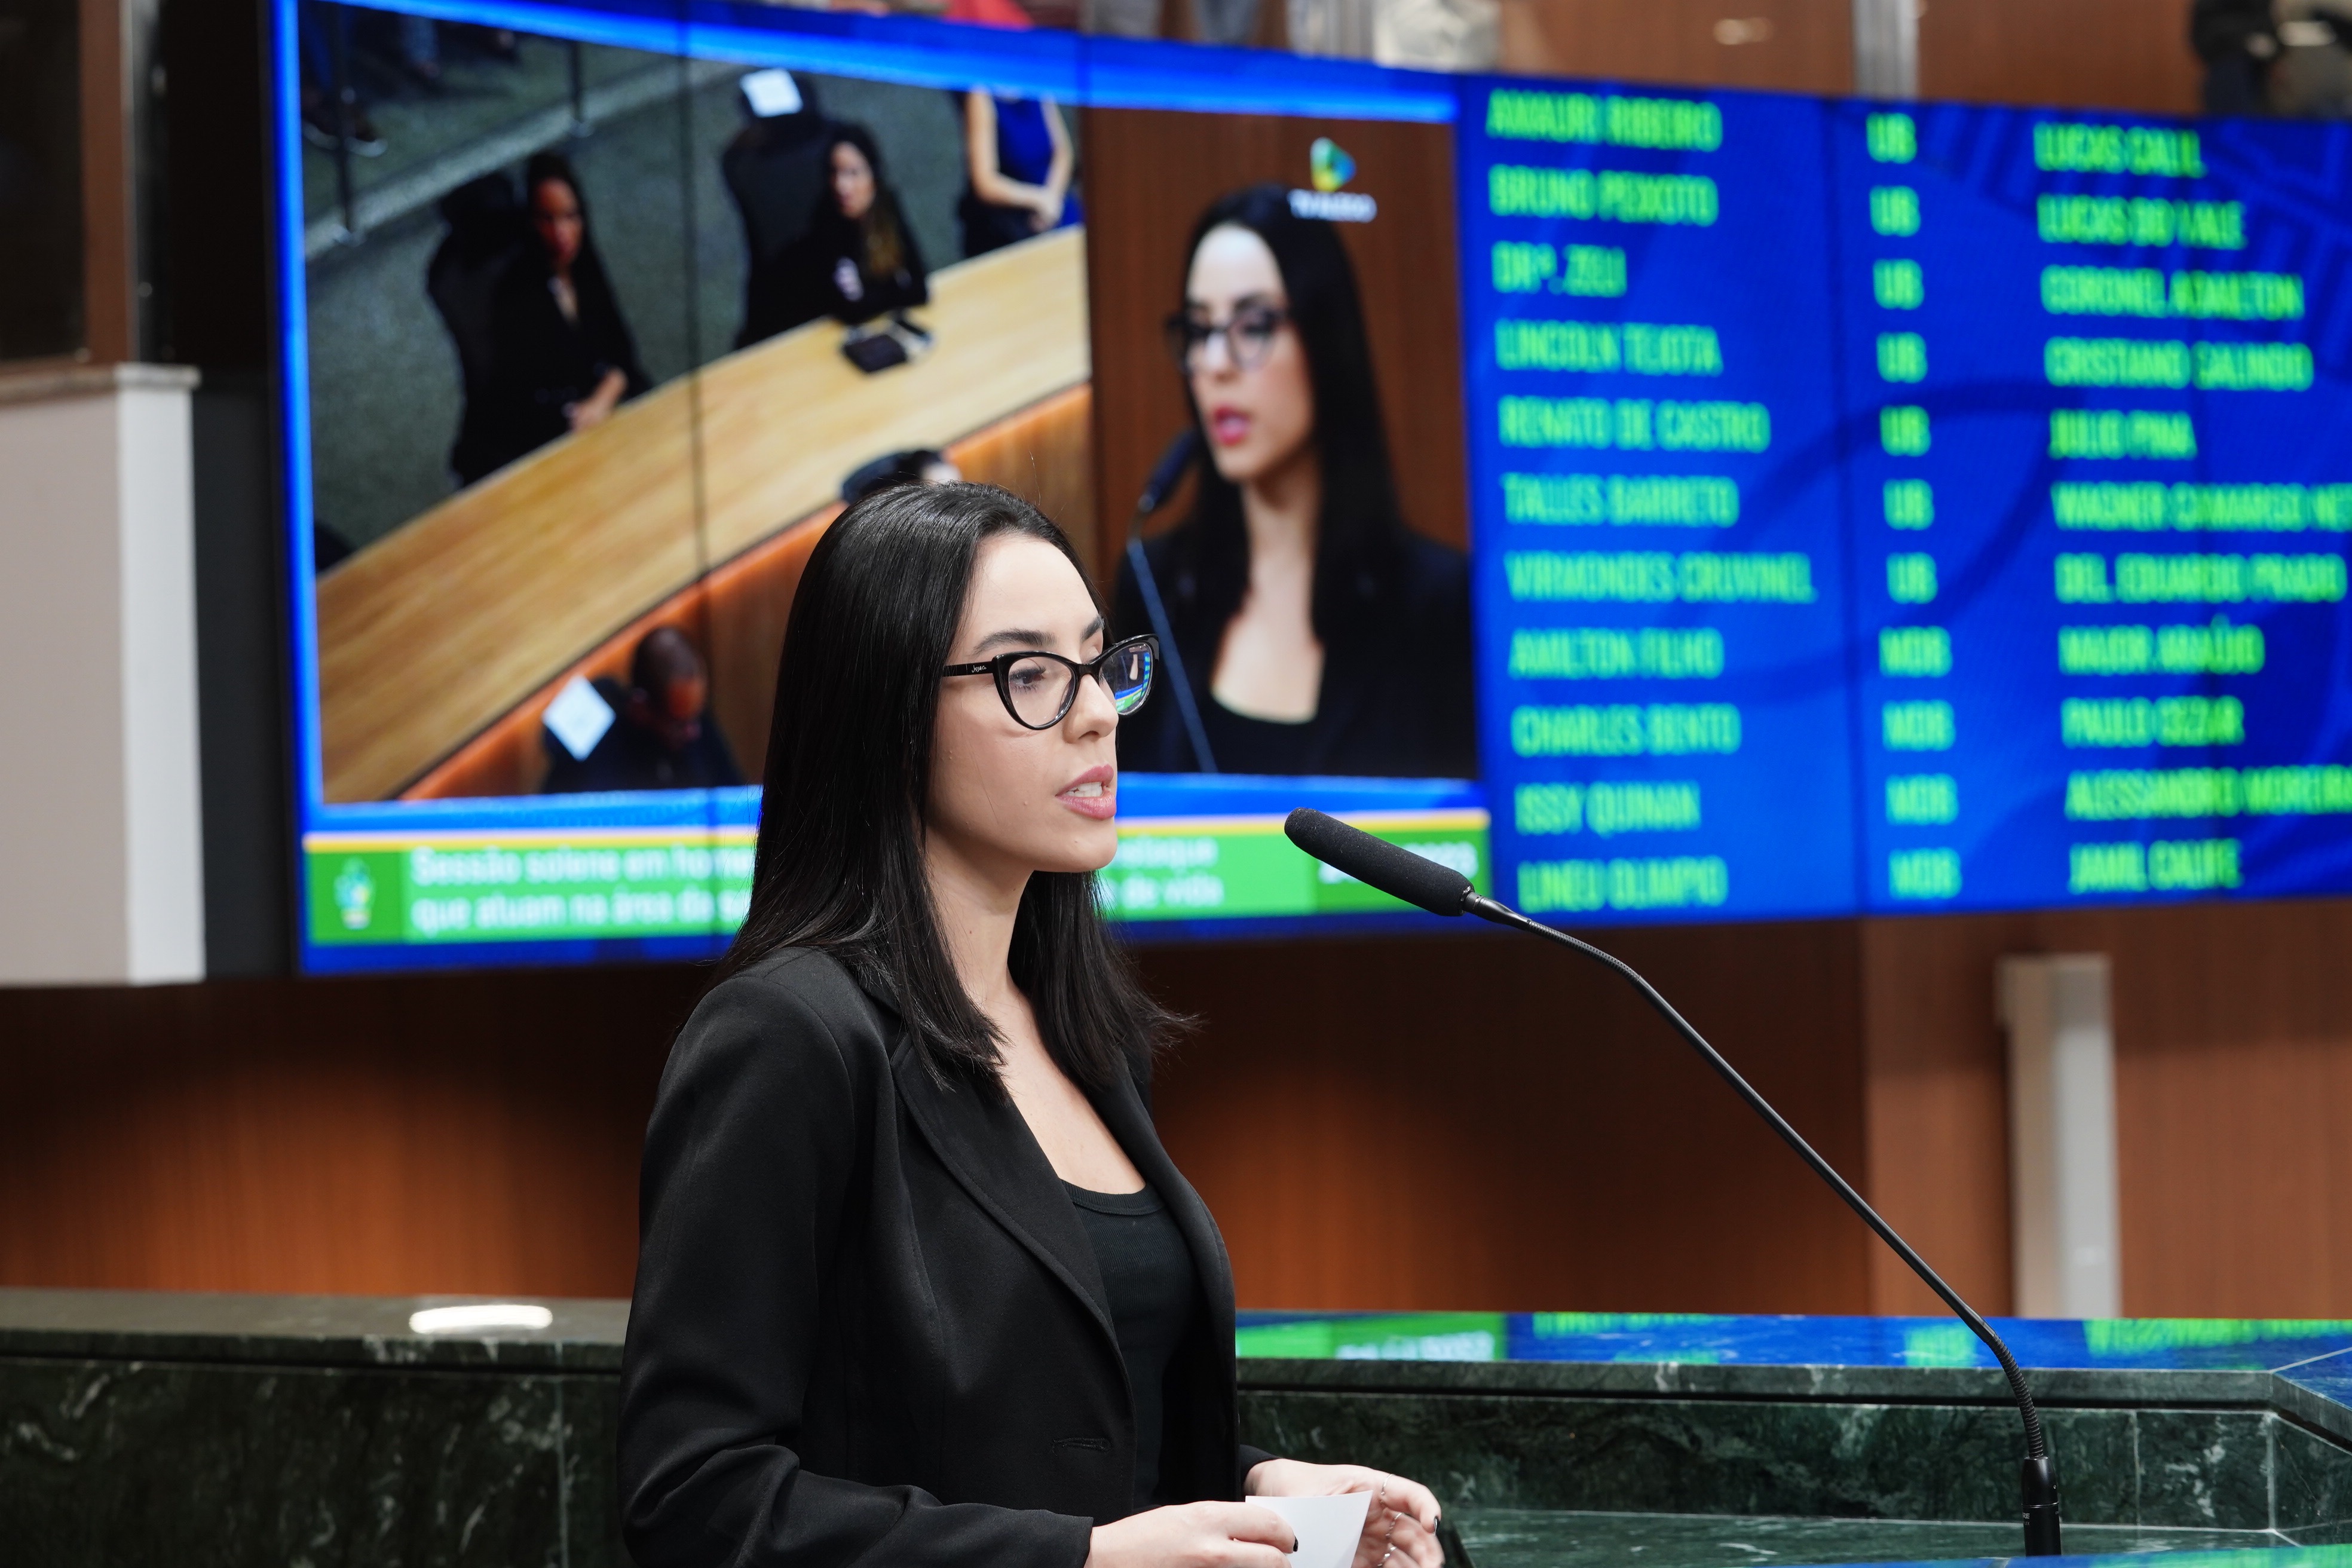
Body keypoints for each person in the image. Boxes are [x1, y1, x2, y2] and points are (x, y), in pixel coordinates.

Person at [618, 482, 1447, 1568]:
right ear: (888, 713)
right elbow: (693, 1499)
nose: (1097, 713)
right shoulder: (788, 1038)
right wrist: (1082, 1561)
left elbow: (1063, 1445)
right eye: (1031, 675)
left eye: (1099, 664)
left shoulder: (1087, 1036)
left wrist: (1258, 1488)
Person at [1113, 183, 1474, 778]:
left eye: (1253, 326)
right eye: (1199, 331)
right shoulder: (1155, 588)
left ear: (1324, 340)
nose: (1214, 365)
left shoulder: (1439, 606)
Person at [457, 151, 648, 485]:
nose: (562, 233)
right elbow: (524, 399)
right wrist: (589, 409)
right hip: (548, 441)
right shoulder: (516, 294)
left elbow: (622, 351)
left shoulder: (585, 269)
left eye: (570, 217)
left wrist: (602, 399)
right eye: (548, 219)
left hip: (600, 417)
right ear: (531, 221)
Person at [752, 123, 929, 338]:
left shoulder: (887, 207)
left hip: (884, 330)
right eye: (834, 172)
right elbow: (853, 310)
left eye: (853, 173)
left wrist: (878, 296)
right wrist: (894, 293)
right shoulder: (827, 223)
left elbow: (920, 290)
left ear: (874, 175)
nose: (841, 186)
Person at [542, 626, 743, 793]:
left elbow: (735, 801)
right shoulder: (599, 709)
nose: (694, 732)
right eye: (679, 724)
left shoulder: (698, 727)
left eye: (696, 715)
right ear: (641, 707)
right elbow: (548, 739)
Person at [958, 89, 1080, 259]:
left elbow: (1063, 153)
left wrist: (1052, 198)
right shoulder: (981, 95)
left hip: (1057, 204)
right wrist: (1038, 200)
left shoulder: (1036, 83)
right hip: (1015, 223)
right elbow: (984, 182)